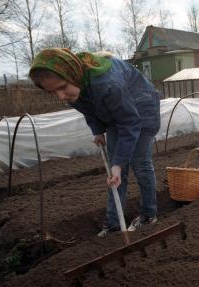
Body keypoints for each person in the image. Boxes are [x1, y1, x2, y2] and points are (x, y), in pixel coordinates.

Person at [29, 48, 161, 237]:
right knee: (115, 175)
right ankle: (114, 224)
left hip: (142, 107)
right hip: (119, 113)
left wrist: (118, 163)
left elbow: (130, 122)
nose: (60, 96)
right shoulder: (72, 83)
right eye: (53, 92)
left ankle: (149, 215)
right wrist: (98, 130)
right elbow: (87, 107)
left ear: (72, 76)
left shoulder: (107, 84)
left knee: (140, 164)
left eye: (62, 87)